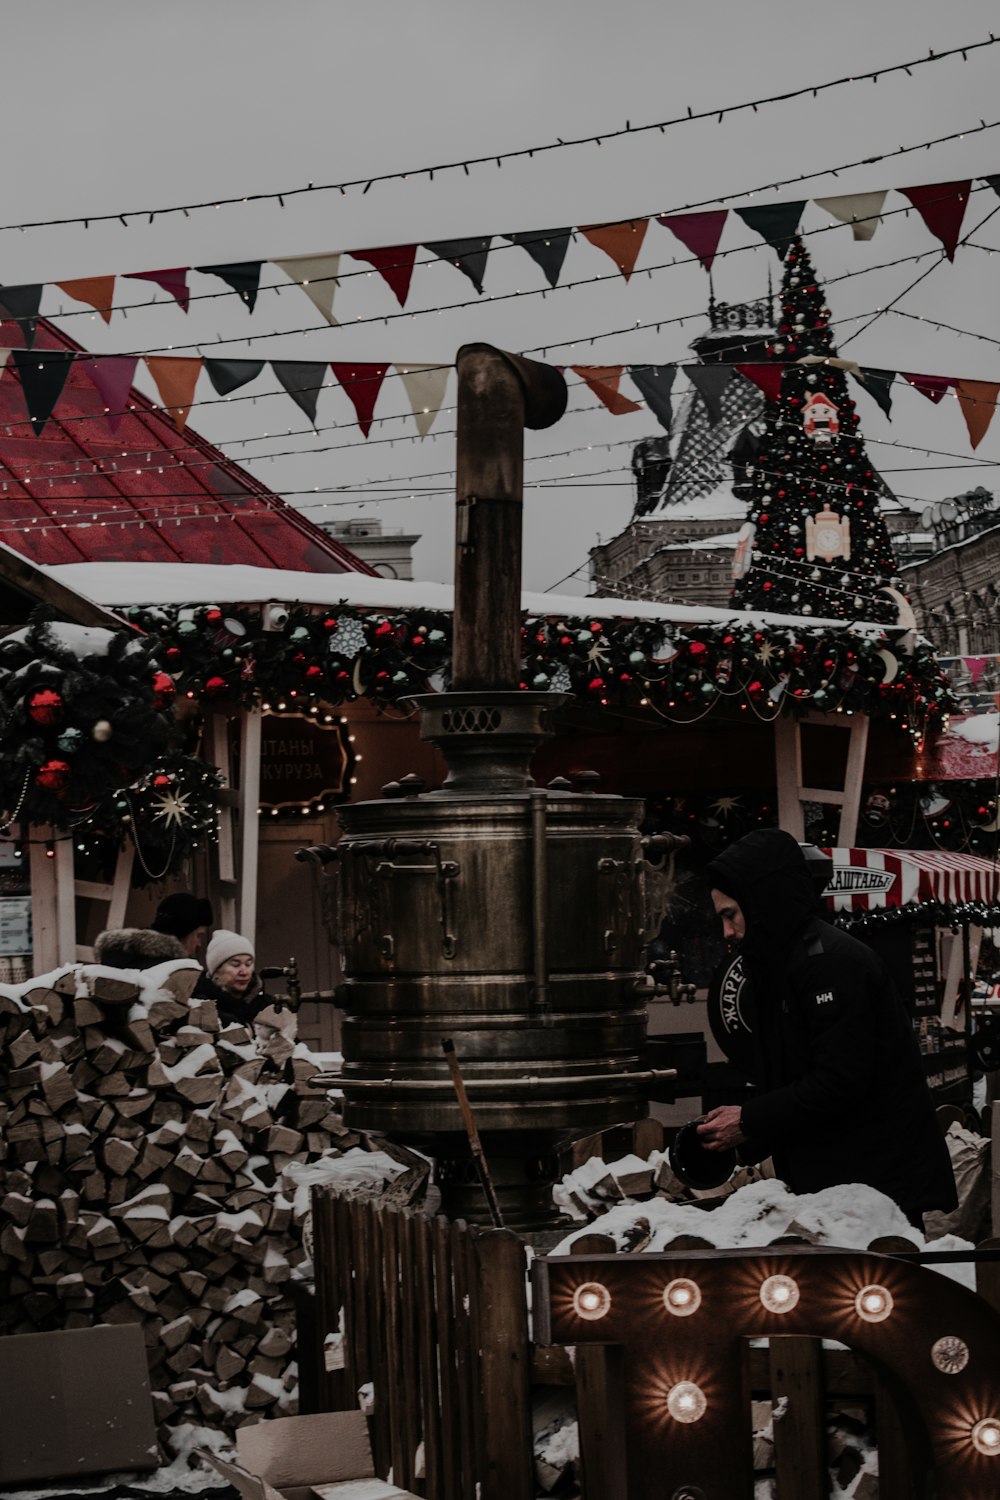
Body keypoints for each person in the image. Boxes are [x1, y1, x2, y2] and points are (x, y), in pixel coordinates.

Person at [697, 827, 956, 1228]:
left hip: (873, 1189)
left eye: (730, 915)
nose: (727, 933)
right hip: (835, 1184)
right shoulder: (783, 967)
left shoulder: (830, 964)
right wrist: (746, 1132)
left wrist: (749, 1120)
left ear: (761, 901)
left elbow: (839, 1081)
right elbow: (793, 1076)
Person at [198, 928, 268, 1026]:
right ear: (216, 970)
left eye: (248, 964)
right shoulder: (199, 1006)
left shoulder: (266, 1006)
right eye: (235, 965)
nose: (244, 972)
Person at [151, 892, 214, 959]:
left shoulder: (144, 962)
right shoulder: (177, 967)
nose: (199, 944)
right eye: (198, 936)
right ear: (181, 935)